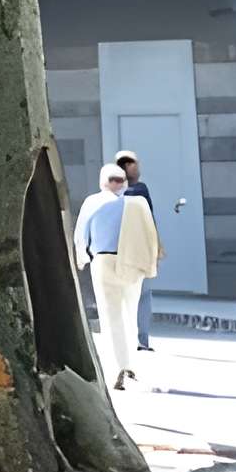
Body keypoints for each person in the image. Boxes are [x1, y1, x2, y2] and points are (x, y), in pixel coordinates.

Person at [74, 161, 159, 390]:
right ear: (123, 182)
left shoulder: (93, 202)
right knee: (130, 313)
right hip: (132, 262)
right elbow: (150, 235)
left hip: (103, 261)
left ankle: (118, 367)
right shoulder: (137, 204)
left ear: (103, 182)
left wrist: (82, 259)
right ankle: (130, 364)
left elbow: (80, 235)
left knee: (110, 315)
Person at [115, 149, 162, 351]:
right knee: (141, 296)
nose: (139, 169)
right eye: (135, 165)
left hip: (126, 251)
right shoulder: (138, 191)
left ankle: (137, 339)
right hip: (135, 251)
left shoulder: (113, 193)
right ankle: (140, 339)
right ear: (126, 168)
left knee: (137, 295)